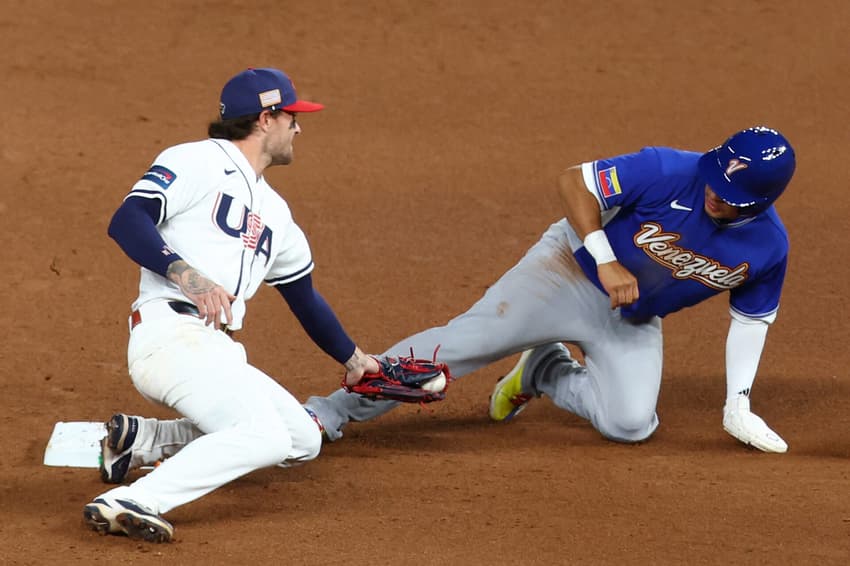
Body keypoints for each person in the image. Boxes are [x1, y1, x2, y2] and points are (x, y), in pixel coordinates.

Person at [305, 126, 795, 454]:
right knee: (461, 346)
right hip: (566, 272)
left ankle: (546, 369)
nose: (712, 192)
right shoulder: (669, 169)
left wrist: (739, 401)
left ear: (762, 201)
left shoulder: (768, 247)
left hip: (632, 318)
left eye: (728, 196)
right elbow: (575, 182)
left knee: (631, 424)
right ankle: (328, 412)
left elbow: (750, 323)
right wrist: (605, 259)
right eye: (713, 179)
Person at [83, 67, 379, 543]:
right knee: (264, 436)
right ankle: (134, 500)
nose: (299, 128)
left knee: (301, 439)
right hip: (171, 337)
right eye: (292, 117)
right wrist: (185, 273)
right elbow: (128, 219)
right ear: (266, 118)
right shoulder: (197, 160)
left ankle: (143, 440)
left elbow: (304, 298)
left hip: (217, 352)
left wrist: (355, 360)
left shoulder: (276, 213)